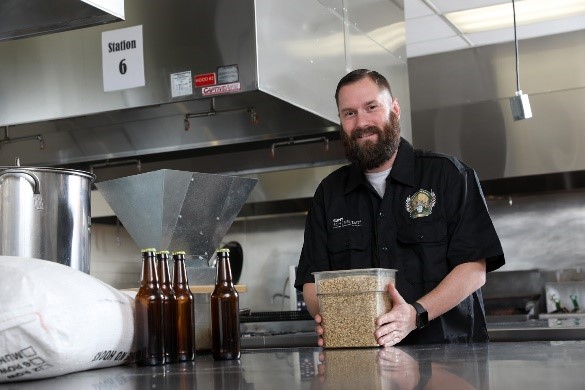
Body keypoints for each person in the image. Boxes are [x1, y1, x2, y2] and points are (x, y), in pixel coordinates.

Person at [294, 69, 505, 346]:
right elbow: (312, 281)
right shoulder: (329, 194)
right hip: (364, 368)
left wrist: (415, 315)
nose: (361, 122)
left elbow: (473, 269)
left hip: (450, 360)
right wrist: (331, 317)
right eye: (349, 113)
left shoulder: (448, 175)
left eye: (371, 107)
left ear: (394, 109)